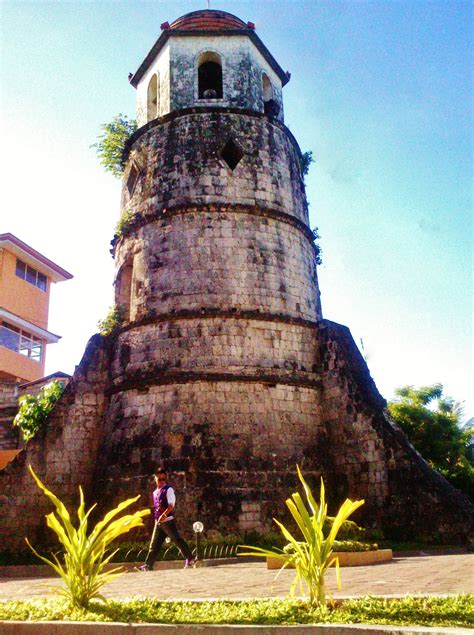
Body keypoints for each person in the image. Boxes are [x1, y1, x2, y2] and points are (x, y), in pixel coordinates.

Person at [138, 467, 195, 571]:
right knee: (154, 545)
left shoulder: (168, 490)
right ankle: (148, 565)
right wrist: (158, 519)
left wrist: (163, 515)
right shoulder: (155, 493)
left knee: (177, 539)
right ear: (155, 479)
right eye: (160, 479)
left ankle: (190, 558)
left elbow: (171, 505)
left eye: (164, 479)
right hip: (158, 522)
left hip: (167, 521)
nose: (162, 481)